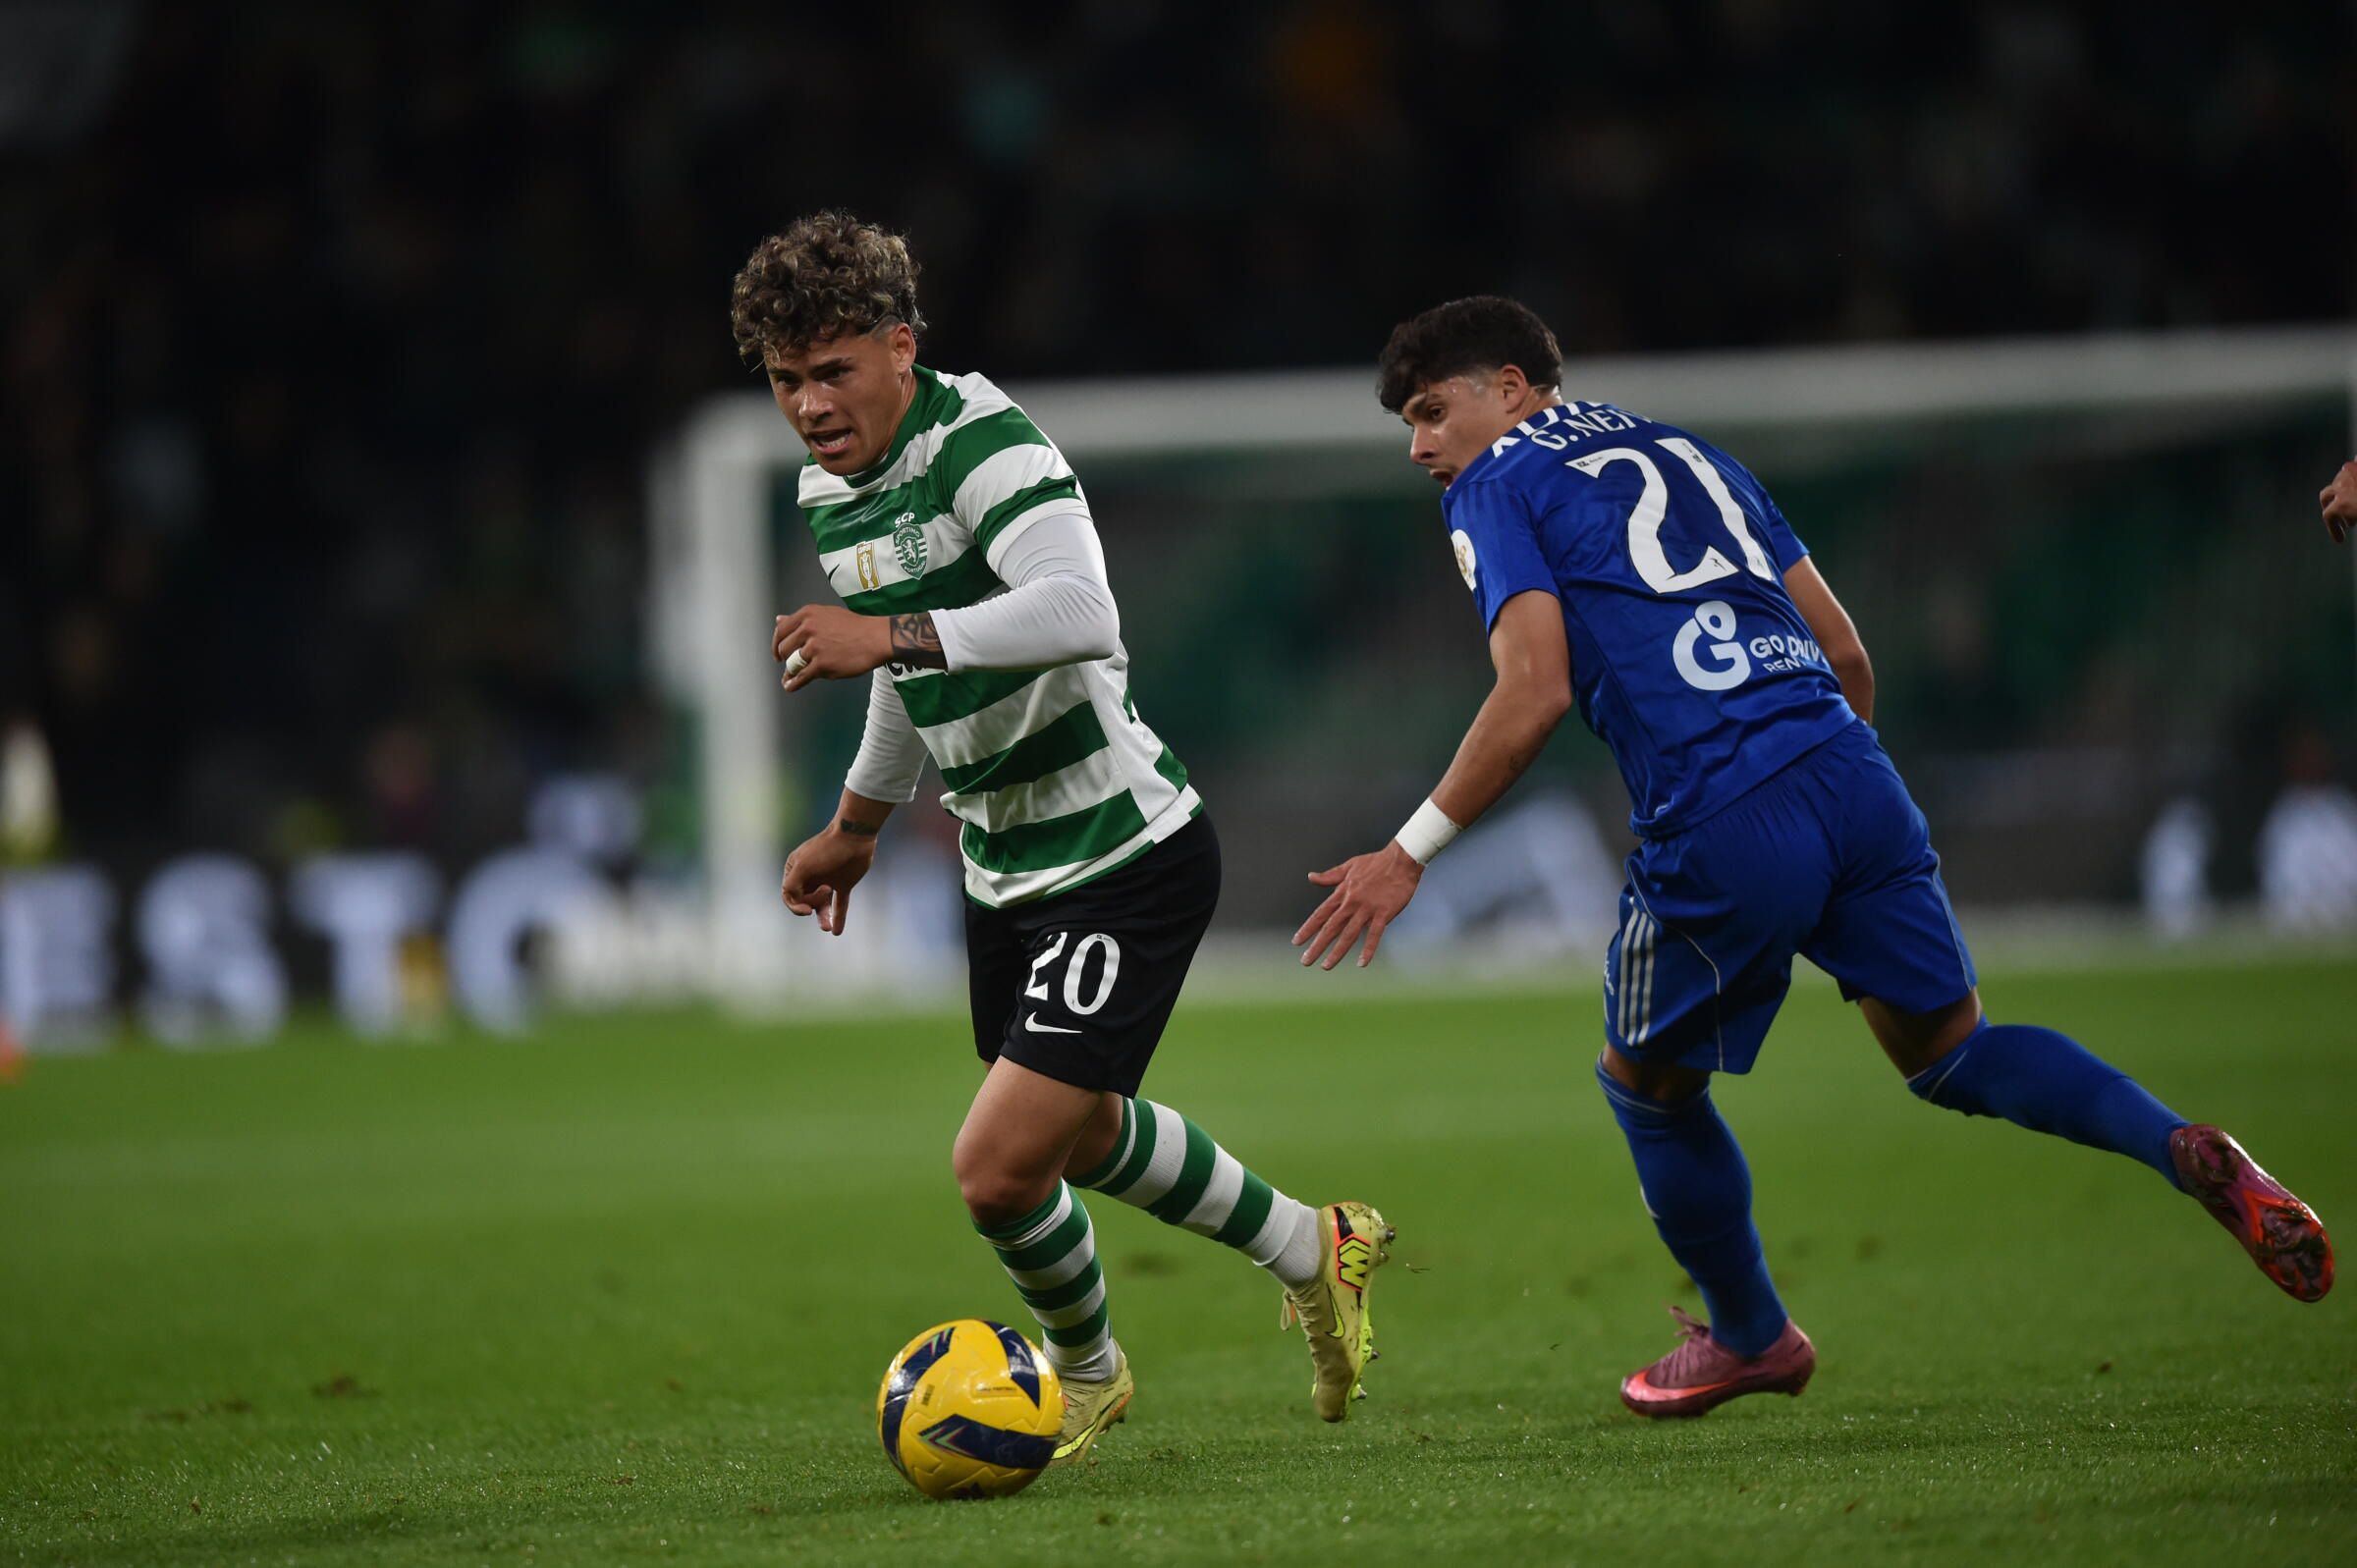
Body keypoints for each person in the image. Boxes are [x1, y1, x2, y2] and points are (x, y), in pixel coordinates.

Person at [1297, 296, 2333, 1419]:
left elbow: (1534, 688)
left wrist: (1408, 852)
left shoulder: (1497, 483)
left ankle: (1752, 1335)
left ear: (1511, 388)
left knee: (1645, 1084)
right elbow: (1846, 651)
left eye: (1431, 410)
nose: (1420, 447)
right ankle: (2182, 1142)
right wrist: (1822, 810)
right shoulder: (1694, 452)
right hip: (1850, 770)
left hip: (1718, 807)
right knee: (1954, 1049)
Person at [735, 212, 1390, 1462]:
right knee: (1075, 1137)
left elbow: (1081, 609)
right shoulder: (832, 489)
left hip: (1122, 852)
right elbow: (909, 668)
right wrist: (856, 825)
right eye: (784, 380)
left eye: (832, 371)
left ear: (900, 347)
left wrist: (888, 635)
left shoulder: (983, 444)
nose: (809, 406)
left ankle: (1084, 1373)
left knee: (995, 1167)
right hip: (1005, 869)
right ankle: (1315, 1245)